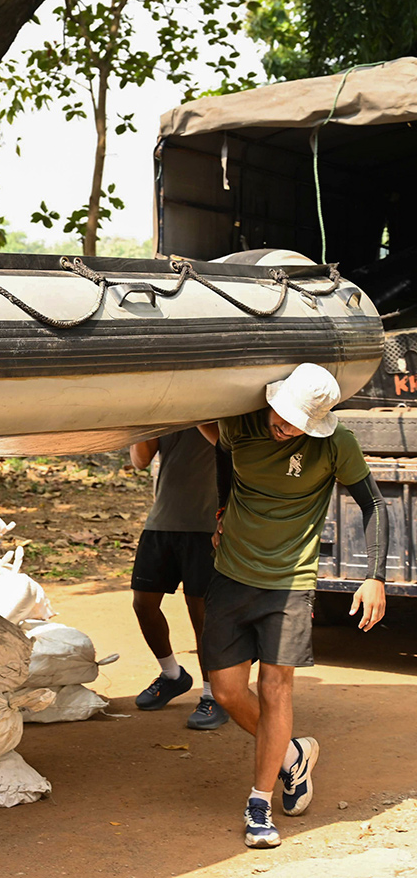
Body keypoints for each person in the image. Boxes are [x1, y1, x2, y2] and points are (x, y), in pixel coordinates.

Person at [207, 363, 388, 849]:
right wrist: (222, 507)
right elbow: (224, 459)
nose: (283, 428)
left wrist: (374, 577)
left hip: (290, 581)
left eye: (295, 424)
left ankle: (260, 804)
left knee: (275, 688)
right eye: (282, 417)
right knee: (225, 691)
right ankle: (292, 754)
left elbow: (374, 503)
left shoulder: (336, 444)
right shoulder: (242, 423)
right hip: (231, 573)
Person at [129, 424, 229, 730]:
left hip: (206, 524)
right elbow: (140, 460)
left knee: (201, 613)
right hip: (163, 521)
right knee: (143, 604)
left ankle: (215, 695)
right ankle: (172, 675)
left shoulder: (216, 407)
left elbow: (226, 445)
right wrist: (144, 417)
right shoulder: (166, 409)